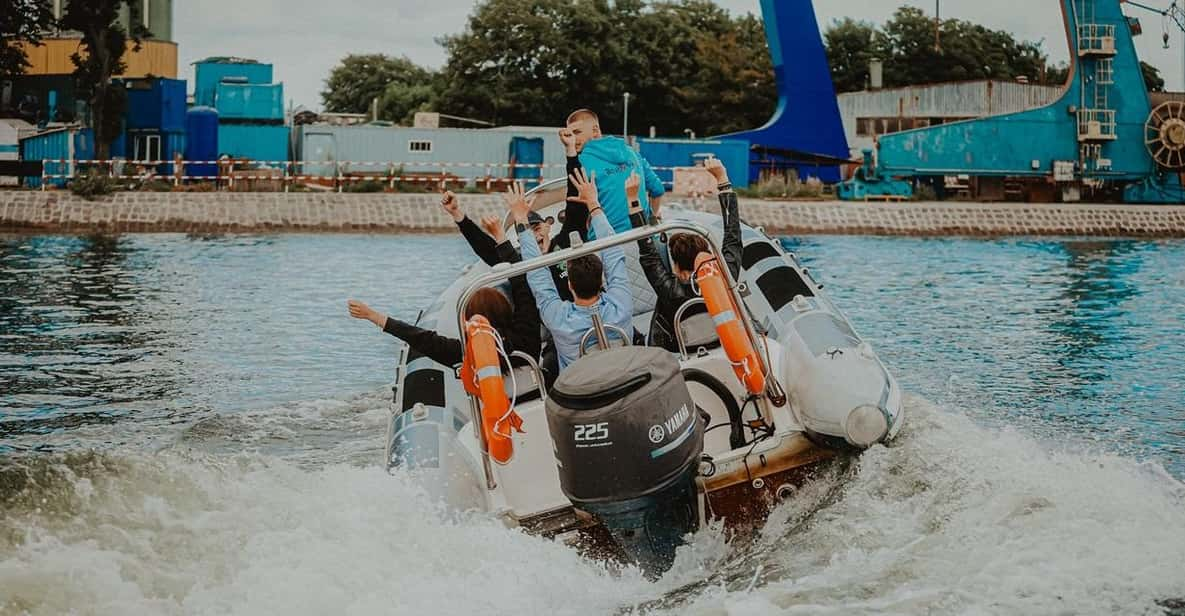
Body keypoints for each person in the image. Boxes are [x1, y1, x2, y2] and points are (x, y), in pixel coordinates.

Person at [515, 169, 633, 371]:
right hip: (625, 375)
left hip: (585, 395)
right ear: (601, 281)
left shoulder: (559, 318)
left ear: (570, 285)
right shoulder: (621, 304)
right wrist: (593, 204)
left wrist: (520, 220)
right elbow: (614, 255)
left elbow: (538, 278)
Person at [630, 158, 743, 352]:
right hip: (722, 345)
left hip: (682, 351)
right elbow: (733, 236)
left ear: (677, 268)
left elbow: (648, 253)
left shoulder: (671, 291)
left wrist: (633, 199)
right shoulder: (725, 278)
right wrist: (722, 179)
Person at [440, 189, 572, 301]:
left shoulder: (563, 243)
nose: (535, 237)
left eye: (537, 228)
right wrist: (457, 213)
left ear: (547, 227)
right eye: (528, 234)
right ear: (522, 241)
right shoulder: (518, 260)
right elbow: (488, 250)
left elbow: (576, 213)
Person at [564, 109, 666, 236]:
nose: (573, 138)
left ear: (595, 131)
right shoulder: (631, 152)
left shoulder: (581, 162)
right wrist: (652, 218)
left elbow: (575, 210)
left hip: (605, 242)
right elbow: (658, 190)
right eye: (570, 134)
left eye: (577, 132)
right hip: (642, 236)